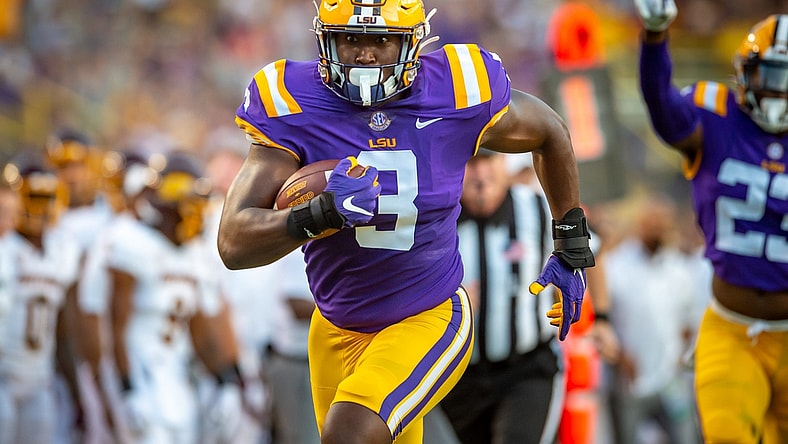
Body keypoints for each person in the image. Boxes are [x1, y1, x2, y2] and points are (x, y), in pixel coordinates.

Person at [218, 1, 595, 443]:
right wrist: (318, 214)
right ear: (324, 39)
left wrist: (570, 245)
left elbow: (550, 130)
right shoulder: (292, 101)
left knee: (349, 434)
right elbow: (233, 242)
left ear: (413, 43)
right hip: (334, 326)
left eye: (381, 40)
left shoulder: (456, 88)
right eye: (350, 39)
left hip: (427, 316)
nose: (364, 55)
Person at [633, 2, 788, 442]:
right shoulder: (717, 116)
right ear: (744, 74)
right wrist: (655, 37)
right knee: (726, 436)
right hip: (731, 326)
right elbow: (663, 110)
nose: (777, 94)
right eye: (770, 78)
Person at [102, 150, 243, 443]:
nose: (198, 217)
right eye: (190, 207)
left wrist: (226, 380)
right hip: (139, 370)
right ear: (167, 206)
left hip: (175, 372)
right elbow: (115, 326)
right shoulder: (131, 241)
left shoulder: (194, 255)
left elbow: (202, 328)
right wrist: (127, 387)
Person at [439, 149, 564, 443]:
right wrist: (444, 306)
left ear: (504, 162)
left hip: (525, 367)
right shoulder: (435, 220)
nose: (481, 173)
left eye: (488, 160)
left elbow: (589, 249)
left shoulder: (536, 207)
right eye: (470, 162)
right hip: (457, 378)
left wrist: (602, 318)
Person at [602, 194, 700, 444]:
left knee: (684, 438)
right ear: (641, 225)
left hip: (670, 379)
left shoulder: (678, 268)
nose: (660, 229)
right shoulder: (618, 266)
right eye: (654, 222)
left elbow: (689, 320)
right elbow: (605, 318)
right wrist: (620, 354)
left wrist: (681, 353)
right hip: (630, 381)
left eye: (665, 224)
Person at [0, 152, 83, 444]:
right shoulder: (5, 248)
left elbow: (63, 328)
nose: (41, 207)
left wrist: (76, 390)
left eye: (47, 197)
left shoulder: (62, 250)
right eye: (33, 196)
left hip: (40, 380)